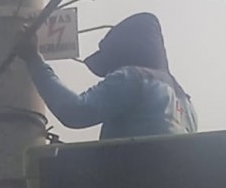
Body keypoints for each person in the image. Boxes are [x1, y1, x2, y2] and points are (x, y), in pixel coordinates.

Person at [18, 12, 197, 139]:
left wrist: (33, 59)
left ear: (122, 55)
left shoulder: (132, 78)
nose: (109, 75)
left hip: (131, 178)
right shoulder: (187, 106)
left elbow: (74, 111)